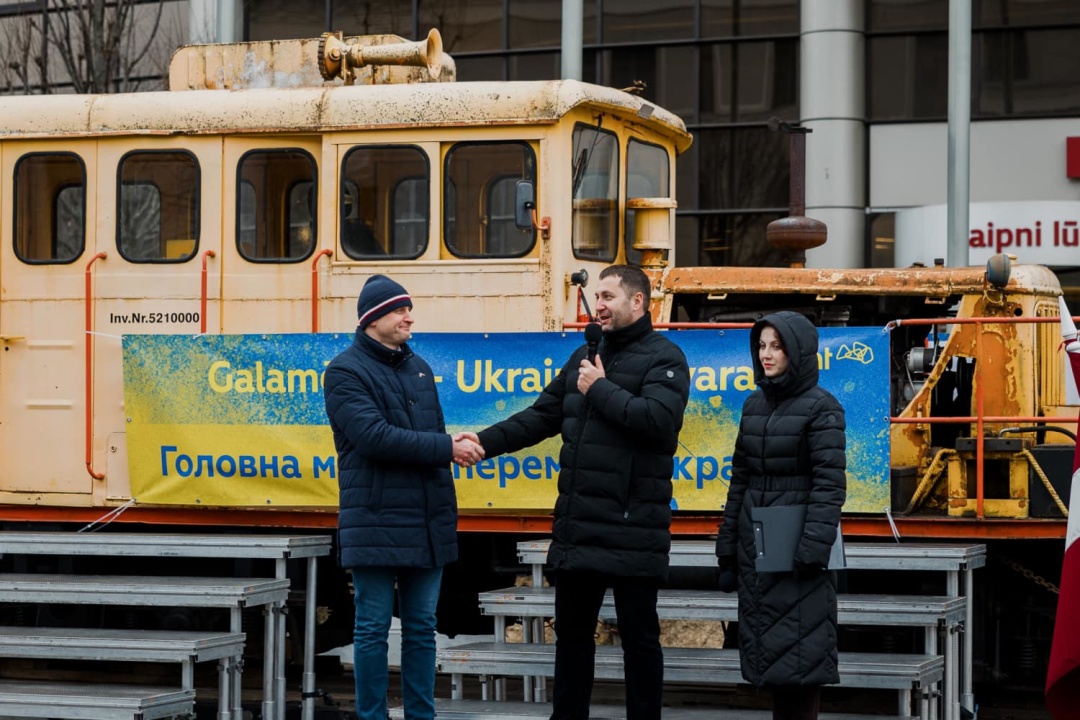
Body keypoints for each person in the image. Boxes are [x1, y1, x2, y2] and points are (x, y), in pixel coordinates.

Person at [463, 264, 690, 720]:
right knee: (570, 639)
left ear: (638, 302)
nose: (599, 305)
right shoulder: (585, 356)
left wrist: (600, 388)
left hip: (632, 529)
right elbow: (541, 416)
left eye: (608, 297)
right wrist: (483, 442)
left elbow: (658, 423)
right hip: (579, 529)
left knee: (640, 642)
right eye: (597, 297)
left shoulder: (666, 358)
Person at [323, 274, 483, 720]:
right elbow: (373, 438)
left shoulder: (419, 368)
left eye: (408, 308)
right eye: (399, 309)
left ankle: (421, 716)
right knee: (372, 630)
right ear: (373, 318)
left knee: (421, 630)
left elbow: (427, 436)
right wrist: (446, 447)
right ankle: (372, 716)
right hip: (374, 518)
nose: (408, 316)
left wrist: (451, 442)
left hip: (426, 517)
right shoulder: (344, 370)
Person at [714, 311, 847, 720]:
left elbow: (830, 485)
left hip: (797, 550)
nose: (766, 355)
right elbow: (740, 478)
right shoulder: (755, 403)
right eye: (762, 346)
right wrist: (727, 548)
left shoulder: (822, 407)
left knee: (801, 662)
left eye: (777, 346)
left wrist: (811, 549)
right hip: (758, 545)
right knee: (772, 658)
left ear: (799, 352)